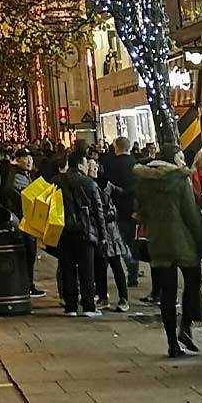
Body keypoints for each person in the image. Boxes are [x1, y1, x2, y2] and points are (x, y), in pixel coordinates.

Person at [135, 144, 202, 357]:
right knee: (193, 283)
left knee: (167, 292)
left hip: (158, 241)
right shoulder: (180, 180)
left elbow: (141, 212)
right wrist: (201, 242)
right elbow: (191, 215)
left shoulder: (145, 182)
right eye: (181, 157)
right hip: (183, 241)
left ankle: (172, 343)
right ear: (173, 160)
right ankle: (185, 326)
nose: (183, 162)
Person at [56, 150, 105, 317]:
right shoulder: (88, 183)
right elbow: (98, 211)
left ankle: (70, 306)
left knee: (67, 269)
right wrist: (103, 235)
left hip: (63, 230)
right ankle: (88, 306)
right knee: (86, 270)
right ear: (80, 164)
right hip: (85, 230)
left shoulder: (56, 182)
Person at [1, 148, 45, 297]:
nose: (29, 161)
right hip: (22, 220)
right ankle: (27, 285)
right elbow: (11, 192)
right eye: (25, 158)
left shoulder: (25, 174)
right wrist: (25, 204)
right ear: (18, 160)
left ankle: (28, 284)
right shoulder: (15, 176)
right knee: (27, 252)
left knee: (30, 253)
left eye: (30, 158)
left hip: (27, 219)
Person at [90, 151, 130, 312]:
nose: (92, 168)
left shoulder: (104, 184)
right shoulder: (90, 184)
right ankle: (103, 297)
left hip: (109, 228)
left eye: (94, 166)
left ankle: (123, 297)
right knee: (100, 265)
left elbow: (122, 194)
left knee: (115, 264)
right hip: (101, 227)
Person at [101, 136, 141, 289]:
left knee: (118, 240)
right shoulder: (135, 164)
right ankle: (133, 273)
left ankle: (128, 262)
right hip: (132, 209)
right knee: (132, 240)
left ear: (116, 147)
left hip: (113, 209)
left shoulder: (108, 163)